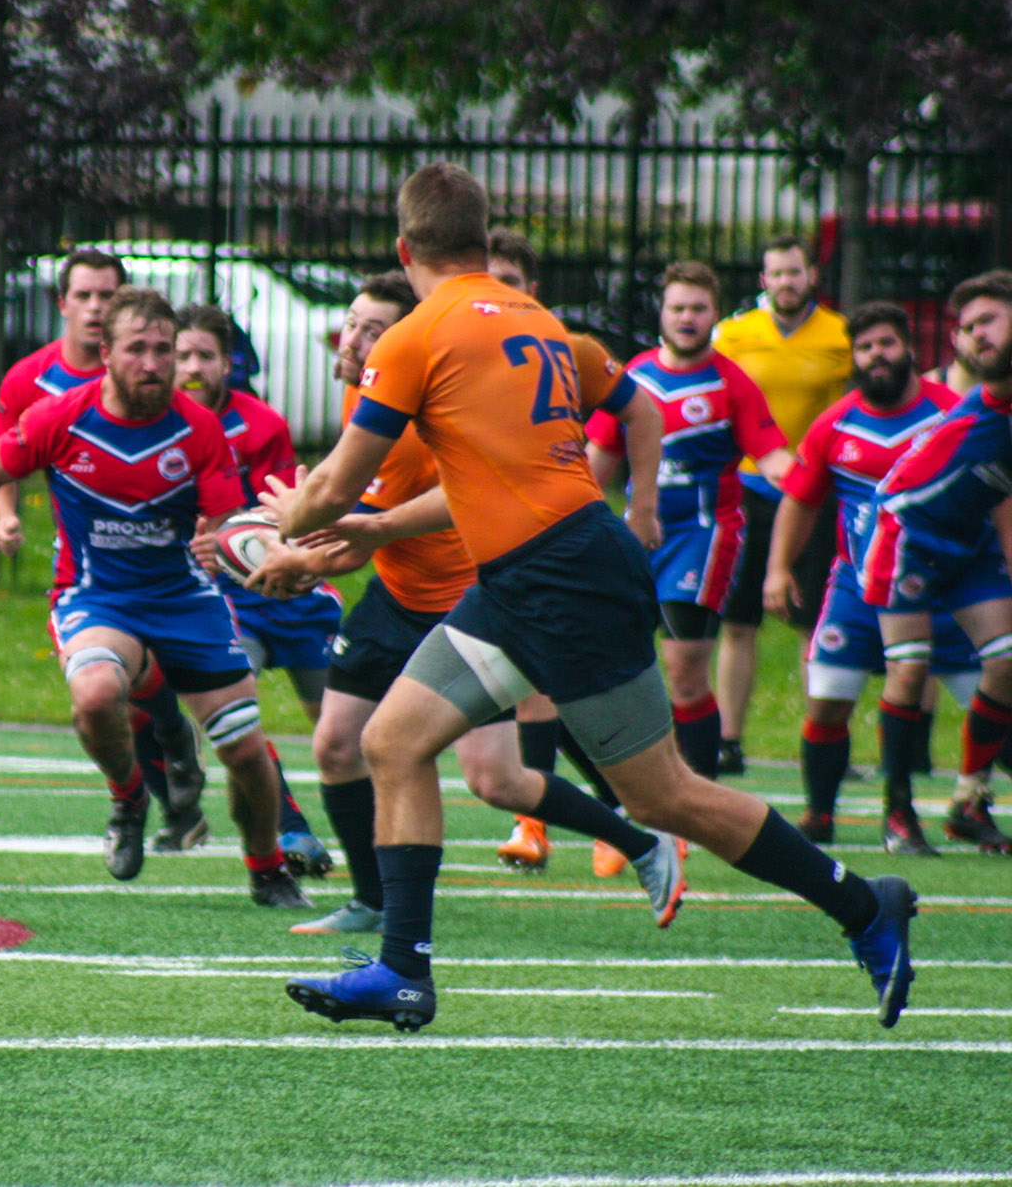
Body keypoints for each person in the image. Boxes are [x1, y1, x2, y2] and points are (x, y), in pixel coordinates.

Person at [272, 162, 918, 1032]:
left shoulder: (415, 338)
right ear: (478, 240)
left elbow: (331, 487)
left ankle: (864, 904)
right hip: (523, 576)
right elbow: (569, 433)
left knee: (664, 797)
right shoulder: (536, 320)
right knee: (393, 740)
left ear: (404, 249)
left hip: (565, 576)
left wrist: (284, 522)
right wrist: (376, 533)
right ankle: (403, 971)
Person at [250, 271, 680, 936]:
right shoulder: (364, 392)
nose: (355, 337)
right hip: (397, 595)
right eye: (353, 322)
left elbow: (356, 537)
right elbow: (361, 534)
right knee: (339, 743)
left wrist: (294, 559)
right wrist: (301, 555)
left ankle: (638, 840)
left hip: (465, 601)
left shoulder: (413, 409)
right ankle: (375, 904)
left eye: (374, 328)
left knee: (496, 781)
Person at [0, 287, 309, 907]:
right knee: (96, 693)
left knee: (245, 749)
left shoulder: (198, 429)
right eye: (138, 349)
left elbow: (225, 524)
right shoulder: (61, 418)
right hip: (97, 595)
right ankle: (130, 795)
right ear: (106, 353)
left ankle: (267, 866)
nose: (155, 363)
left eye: (164, 349)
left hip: (185, 597)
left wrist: (226, 544)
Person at [0, 252, 212, 858]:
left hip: (165, 560)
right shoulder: (30, 381)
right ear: (62, 303)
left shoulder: (155, 381)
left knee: (168, 682)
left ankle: (184, 794)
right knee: (104, 688)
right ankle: (157, 797)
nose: (96, 308)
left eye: (108, 296)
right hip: (87, 564)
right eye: (85, 295)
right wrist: (6, 516)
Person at [764, 302, 974, 854]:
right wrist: (778, 568)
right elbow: (800, 499)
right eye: (864, 348)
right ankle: (819, 815)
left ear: (910, 348)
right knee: (828, 697)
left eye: (885, 344)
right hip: (858, 587)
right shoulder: (836, 422)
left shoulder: (952, 414)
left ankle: (932, 810)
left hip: (942, 590)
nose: (875, 356)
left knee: (989, 698)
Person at [586, 263, 794, 781]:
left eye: (698, 308)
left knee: (684, 667)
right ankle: (634, 790)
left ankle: (698, 796)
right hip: (638, 536)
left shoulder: (732, 384)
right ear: (662, 312)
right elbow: (597, 463)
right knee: (614, 667)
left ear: (715, 314)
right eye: (677, 307)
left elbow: (773, 459)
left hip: (703, 537)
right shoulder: (633, 378)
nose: (687, 317)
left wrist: (820, 481)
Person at [485, 228, 640, 873]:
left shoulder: (558, 349)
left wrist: (647, 504)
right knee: (541, 689)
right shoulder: (457, 351)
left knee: (545, 687)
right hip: (499, 538)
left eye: (511, 283)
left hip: (555, 541)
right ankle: (613, 815)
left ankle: (570, 821)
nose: (497, 296)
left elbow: (638, 410)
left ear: (534, 291)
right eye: (488, 282)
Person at [174, 301, 339, 874]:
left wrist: (234, 539)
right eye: (182, 354)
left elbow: (285, 511)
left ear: (228, 362)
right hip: (220, 601)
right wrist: (197, 550)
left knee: (341, 731)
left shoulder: (262, 424)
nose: (193, 366)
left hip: (288, 591)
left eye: (205, 355)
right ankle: (291, 830)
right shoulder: (156, 427)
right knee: (233, 710)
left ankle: (380, 848)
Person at [860, 270, 1012, 854]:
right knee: (909, 669)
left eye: (987, 321)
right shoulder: (998, 389)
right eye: (966, 329)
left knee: (1005, 662)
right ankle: (897, 814)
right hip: (904, 528)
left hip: (967, 534)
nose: (974, 337)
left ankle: (969, 801)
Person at [711, 237, 852, 775]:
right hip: (750, 489)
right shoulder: (735, 333)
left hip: (815, 494)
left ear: (811, 275)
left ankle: (817, 737)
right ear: (764, 279)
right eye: (777, 274)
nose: (786, 282)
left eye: (795, 273)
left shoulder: (840, 336)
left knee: (810, 620)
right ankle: (728, 740)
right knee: (739, 621)